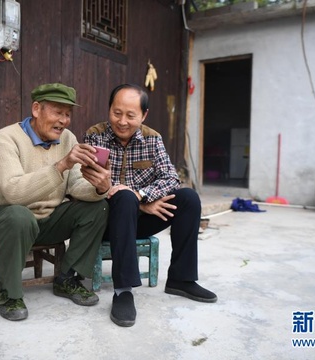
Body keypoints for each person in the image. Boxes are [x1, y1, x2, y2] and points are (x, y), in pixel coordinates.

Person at [84, 83, 217, 327]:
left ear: (143, 115)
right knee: (123, 199)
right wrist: (138, 202)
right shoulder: (95, 135)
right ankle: (123, 291)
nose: (122, 121)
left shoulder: (152, 139)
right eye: (116, 113)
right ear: (109, 110)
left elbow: (170, 178)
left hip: (137, 217)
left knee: (188, 199)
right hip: (104, 219)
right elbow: (89, 182)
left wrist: (142, 196)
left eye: (130, 115)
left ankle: (181, 279)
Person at [0, 83, 111, 321]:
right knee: (19, 215)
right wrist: (61, 165)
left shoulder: (67, 138)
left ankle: (68, 278)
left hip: (46, 220)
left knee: (98, 206)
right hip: (3, 220)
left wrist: (100, 187)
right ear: (37, 109)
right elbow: (14, 193)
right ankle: (9, 294)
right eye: (58, 112)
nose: (64, 120)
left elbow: (76, 186)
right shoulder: (6, 139)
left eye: (68, 114)